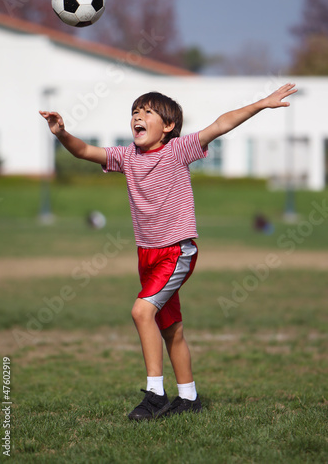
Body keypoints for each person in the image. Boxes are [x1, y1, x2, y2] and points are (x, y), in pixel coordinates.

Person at [40, 82, 297, 420]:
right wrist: (61, 133)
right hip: (146, 255)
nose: (138, 117)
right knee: (170, 328)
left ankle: (155, 394)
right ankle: (189, 399)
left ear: (169, 127)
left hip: (176, 251)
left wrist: (262, 103)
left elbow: (222, 123)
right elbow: (83, 151)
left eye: (147, 112)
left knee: (141, 312)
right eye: (135, 112)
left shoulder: (178, 151)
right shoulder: (127, 156)